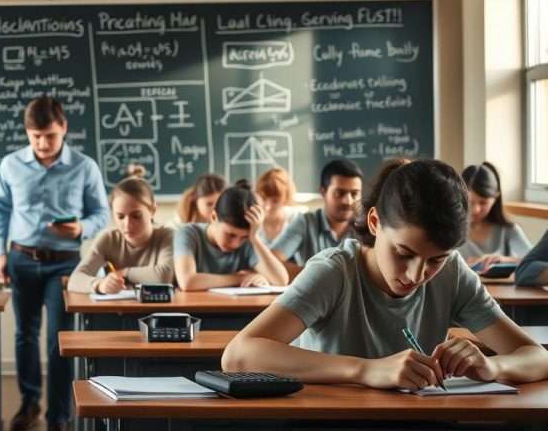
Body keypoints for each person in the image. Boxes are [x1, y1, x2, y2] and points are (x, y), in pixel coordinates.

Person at [223, 159, 548, 390]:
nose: (417, 274)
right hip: (329, 429)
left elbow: (537, 357)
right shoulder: (334, 271)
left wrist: (493, 367)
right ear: (376, 224)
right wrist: (366, 370)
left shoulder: (453, 273)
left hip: (420, 430)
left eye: (435, 259)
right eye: (404, 253)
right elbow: (238, 355)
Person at [0, 96, 109, 431]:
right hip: (21, 258)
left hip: (65, 261)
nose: (43, 144)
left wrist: (81, 228)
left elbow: (101, 213)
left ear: (64, 130)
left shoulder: (84, 166)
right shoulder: (11, 164)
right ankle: (29, 403)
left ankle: (59, 419)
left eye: (50, 136)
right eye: (36, 136)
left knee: (60, 339)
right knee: (25, 334)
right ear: (28, 133)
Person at [68, 166, 173, 294]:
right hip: (120, 310)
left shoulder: (168, 235)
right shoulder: (108, 239)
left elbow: (164, 276)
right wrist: (100, 285)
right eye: (120, 217)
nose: (127, 224)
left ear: (152, 210)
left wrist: (124, 272)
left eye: (136, 216)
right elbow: (74, 280)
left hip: (161, 311)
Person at [173, 181, 289, 291]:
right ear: (214, 216)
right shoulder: (188, 233)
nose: (235, 244)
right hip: (195, 309)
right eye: (230, 235)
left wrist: (254, 238)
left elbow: (281, 280)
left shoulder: (250, 241)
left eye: (244, 237)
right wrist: (241, 278)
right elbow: (187, 282)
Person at [269, 159, 364, 277]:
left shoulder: (367, 226)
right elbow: (270, 262)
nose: (348, 201)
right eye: (340, 193)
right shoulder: (305, 222)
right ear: (323, 192)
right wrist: (322, 277)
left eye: (354, 194)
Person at [459, 162, 531, 273]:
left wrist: (504, 260)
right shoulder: (449, 229)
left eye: (483, 203)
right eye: (470, 202)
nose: (476, 210)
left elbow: (534, 261)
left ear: (496, 197)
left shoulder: (508, 229)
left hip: (502, 290)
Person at [255, 167, 296, 246]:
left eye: (275, 201)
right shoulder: (253, 219)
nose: (268, 207)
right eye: (263, 198)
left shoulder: (294, 218)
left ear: (285, 198)